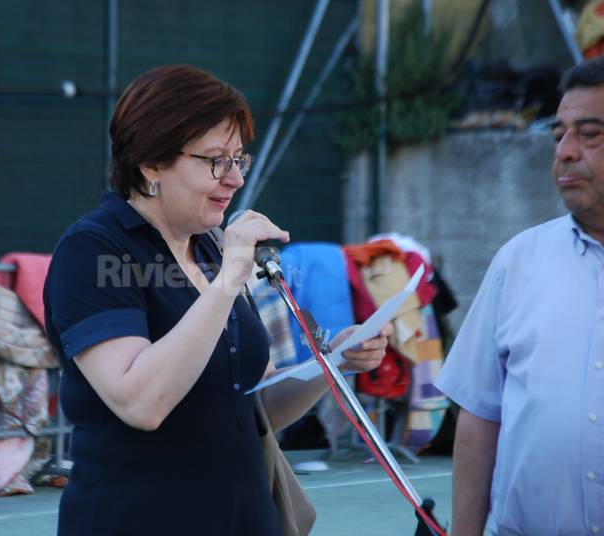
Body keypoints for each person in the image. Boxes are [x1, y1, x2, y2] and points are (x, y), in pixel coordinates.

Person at [43, 65, 390, 536]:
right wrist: (229, 278)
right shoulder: (95, 249)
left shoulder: (207, 248)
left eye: (238, 160)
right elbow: (141, 401)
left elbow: (255, 403)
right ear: (151, 163)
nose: (234, 179)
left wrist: (332, 362)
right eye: (214, 161)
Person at [436, 56, 604, 536]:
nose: (565, 151)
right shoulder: (519, 261)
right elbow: (479, 415)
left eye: (588, 134)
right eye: (558, 136)